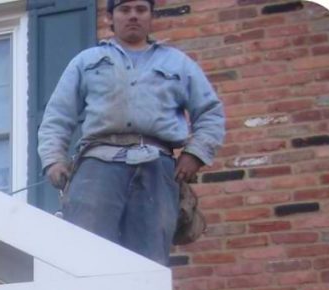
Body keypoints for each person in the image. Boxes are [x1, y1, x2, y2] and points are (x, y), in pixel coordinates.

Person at [38, 0, 225, 264]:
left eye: (141, 9)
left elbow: (210, 113)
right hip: (97, 165)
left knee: (149, 256)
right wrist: (54, 159)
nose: (133, 16)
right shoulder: (86, 62)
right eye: (125, 10)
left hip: (156, 166)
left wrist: (195, 154)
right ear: (110, 18)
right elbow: (58, 115)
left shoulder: (178, 64)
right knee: (85, 249)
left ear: (151, 16)